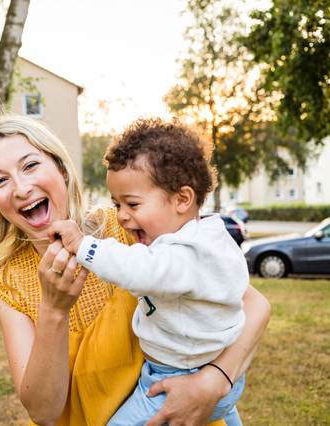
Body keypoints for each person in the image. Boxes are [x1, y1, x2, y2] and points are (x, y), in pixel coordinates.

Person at [0, 112, 270, 425]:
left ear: (60, 167)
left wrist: (214, 381)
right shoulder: (9, 283)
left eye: (30, 166)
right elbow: (43, 410)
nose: (19, 188)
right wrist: (54, 310)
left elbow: (251, 305)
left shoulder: (127, 229)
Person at [49, 118, 248, 425]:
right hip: (202, 368)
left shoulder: (186, 254)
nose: (123, 217)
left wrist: (83, 245)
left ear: (182, 199)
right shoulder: (208, 237)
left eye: (132, 204)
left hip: (181, 376)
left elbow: (138, 268)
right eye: (117, 205)